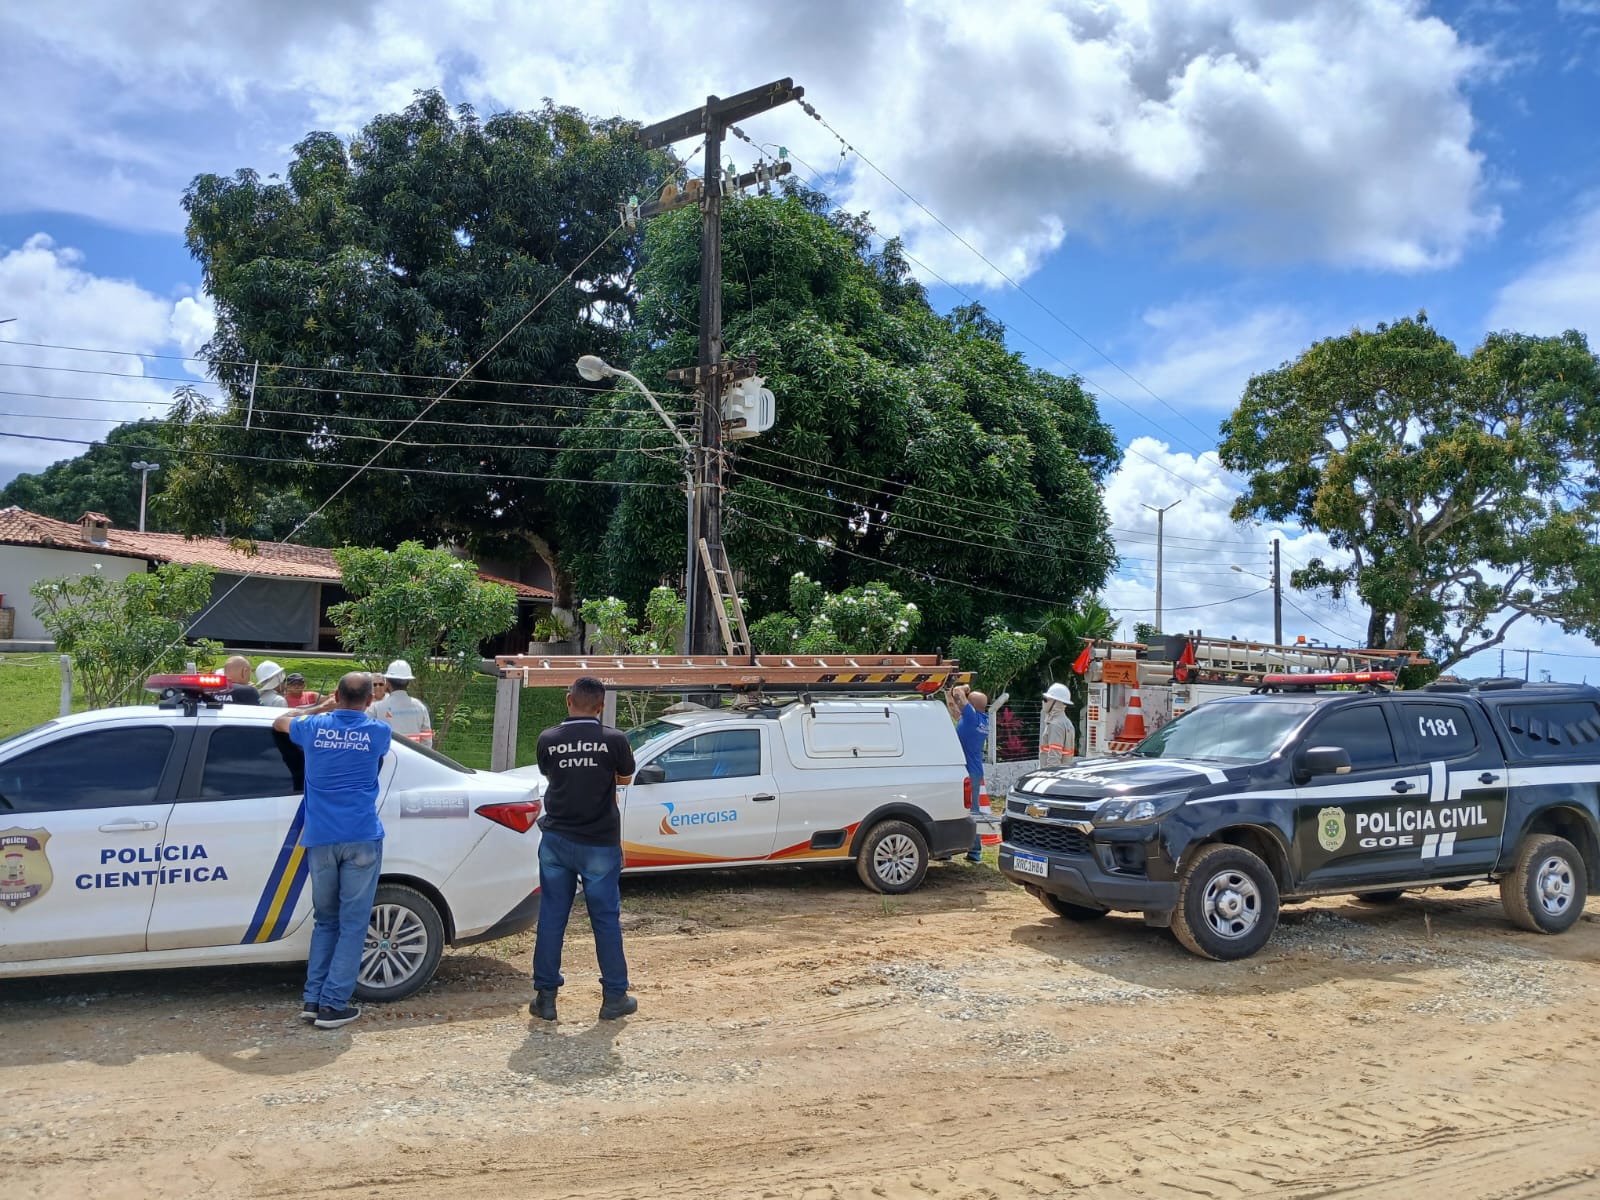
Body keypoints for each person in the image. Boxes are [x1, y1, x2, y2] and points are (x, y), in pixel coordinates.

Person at [273, 673, 392, 1030]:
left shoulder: (313, 727)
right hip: (361, 837)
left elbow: (280, 721)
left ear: (336, 695)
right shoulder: (378, 732)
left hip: (321, 839)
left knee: (325, 920)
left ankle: (313, 999)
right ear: (370, 700)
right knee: (353, 924)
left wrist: (318, 707)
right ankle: (333, 1005)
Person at [530, 675, 637, 1023]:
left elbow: (550, 775)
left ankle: (545, 998)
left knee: (551, 917)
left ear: (568, 700)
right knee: (605, 920)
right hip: (600, 844)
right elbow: (625, 778)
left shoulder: (548, 739)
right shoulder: (615, 740)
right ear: (601, 706)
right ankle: (614, 997)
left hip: (557, 841)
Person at [946, 684, 991, 864]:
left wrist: (964, 686)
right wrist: (947, 691)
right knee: (971, 810)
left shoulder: (971, 718)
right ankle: (971, 851)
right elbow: (954, 708)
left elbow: (958, 692)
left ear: (970, 706)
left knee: (969, 812)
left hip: (968, 772)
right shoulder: (981, 719)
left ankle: (973, 851)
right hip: (973, 771)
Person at [368, 659, 432, 747]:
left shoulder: (376, 708)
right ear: (408, 683)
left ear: (388, 683)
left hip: (387, 754)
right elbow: (427, 741)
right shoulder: (420, 707)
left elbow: (368, 736)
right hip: (412, 754)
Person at [1040, 683, 1076, 768]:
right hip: (1064, 772)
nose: (1043, 702)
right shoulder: (1067, 722)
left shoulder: (1055, 725)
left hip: (1051, 773)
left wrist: (1048, 774)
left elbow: (1054, 760)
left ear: (1056, 702)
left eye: (1046, 700)